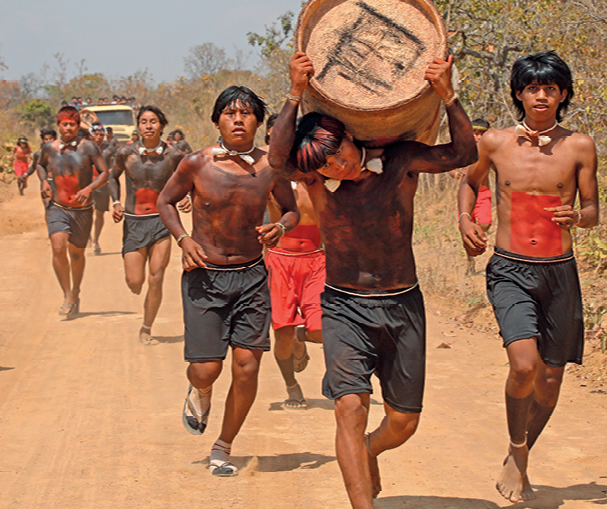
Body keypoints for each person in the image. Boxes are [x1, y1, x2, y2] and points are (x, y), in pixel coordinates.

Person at [268, 52, 476, 508]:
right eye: (326, 166)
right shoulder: (318, 183)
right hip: (344, 305)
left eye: (339, 153)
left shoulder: (400, 161)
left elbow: (464, 153)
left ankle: (367, 452)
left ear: (347, 136)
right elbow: (279, 161)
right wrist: (294, 93)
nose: (339, 166)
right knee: (349, 408)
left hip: (403, 304)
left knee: (403, 422)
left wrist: (448, 96)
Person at [457, 50, 598, 503]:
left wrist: (579, 216)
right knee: (524, 365)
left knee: (551, 380)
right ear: (519, 93)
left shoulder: (580, 146)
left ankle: (519, 456)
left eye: (551, 89)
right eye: (533, 88)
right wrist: (465, 220)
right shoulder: (495, 142)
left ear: (563, 95)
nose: (542, 96)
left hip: (559, 273)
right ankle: (518, 449)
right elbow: (469, 182)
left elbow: (594, 210)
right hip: (510, 269)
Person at [158, 86, 299, 477]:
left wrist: (280, 226)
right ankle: (199, 391)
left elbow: (292, 211)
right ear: (217, 120)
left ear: (258, 122)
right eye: (230, 113)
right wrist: (183, 239)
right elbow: (165, 202)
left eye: (247, 113)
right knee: (206, 370)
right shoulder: (195, 163)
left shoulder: (272, 166)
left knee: (247, 366)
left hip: (252, 276)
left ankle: (223, 446)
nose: (238, 120)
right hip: (204, 277)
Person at [109, 106, 188, 345]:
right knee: (135, 282)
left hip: (162, 222)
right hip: (134, 222)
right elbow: (112, 176)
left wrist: (187, 196)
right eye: (144, 121)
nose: (149, 126)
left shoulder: (174, 155)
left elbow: (190, 178)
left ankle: (146, 327)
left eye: (153, 121)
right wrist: (115, 201)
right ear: (138, 126)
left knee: (156, 277)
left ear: (162, 126)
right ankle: (142, 307)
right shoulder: (126, 153)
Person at [38, 106, 109, 317]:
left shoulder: (88, 148)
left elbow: (104, 173)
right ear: (58, 125)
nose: (68, 128)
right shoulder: (49, 148)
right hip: (57, 207)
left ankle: (76, 291)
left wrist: (89, 189)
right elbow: (40, 165)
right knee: (58, 247)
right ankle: (67, 294)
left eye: (72, 124)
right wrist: (44, 181)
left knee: (77, 254)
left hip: (83, 210)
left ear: (78, 126)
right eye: (64, 124)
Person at [265, 178, 324, 409]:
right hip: (280, 262)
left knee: (321, 329)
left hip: (316, 261)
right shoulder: (273, 181)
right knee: (282, 334)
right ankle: (291, 386)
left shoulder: (322, 180)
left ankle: (301, 337)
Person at [455, 118, 492, 275]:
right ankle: (470, 266)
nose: (477, 137)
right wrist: (457, 174)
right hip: (466, 197)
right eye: (474, 133)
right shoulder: (463, 150)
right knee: (467, 230)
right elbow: (452, 169)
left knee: (485, 223)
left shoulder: (490, 150)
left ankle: (478, 244)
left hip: (483, 194)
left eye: (481, 134)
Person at [88, 124, 115, 255]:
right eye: (96, 134)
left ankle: (95, 240)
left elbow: (118, 161)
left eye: (101, 135)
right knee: (88, 211)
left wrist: (111, 170)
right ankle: (86, 235)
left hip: (103, 184)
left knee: (99, 213)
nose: (98, 137)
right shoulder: (84, 148)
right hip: (87, 184)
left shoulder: (109, 149)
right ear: (90, 135)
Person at [22, 129, 58, 208]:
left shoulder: (62, 152)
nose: (48, 141)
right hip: (46, 182)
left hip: (59, 182)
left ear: (55, 138)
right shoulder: (39, 154)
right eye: (46, 139)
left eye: (50, 138)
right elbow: (33, 166)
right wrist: (26, 174)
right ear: (43, 140)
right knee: (48, 206)